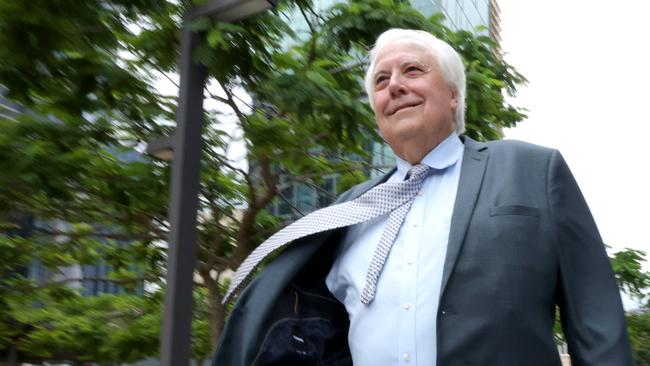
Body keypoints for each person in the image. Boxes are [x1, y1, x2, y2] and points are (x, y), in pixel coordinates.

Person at [212, 28, 633, 366]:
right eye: (381, 80)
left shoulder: (533, 170)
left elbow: (598, 325)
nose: (394, 85)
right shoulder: (346, 212)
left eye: (412, 70)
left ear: (453, 95)